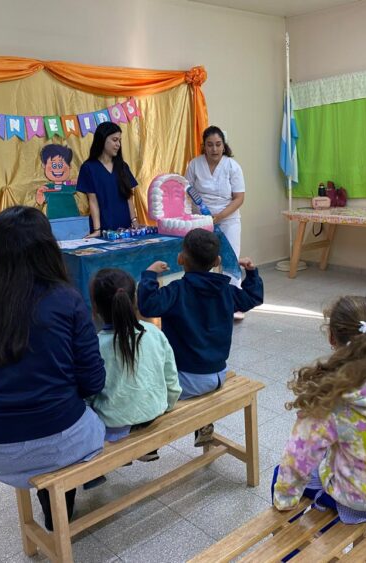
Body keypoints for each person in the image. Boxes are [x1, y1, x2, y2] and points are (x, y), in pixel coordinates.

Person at [0, 206, 106, 532]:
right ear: (47, 248)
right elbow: (93, 380)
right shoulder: (66, 299)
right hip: (61, 441)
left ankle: (57, 511)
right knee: (99, 409)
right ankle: (69, 500)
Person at [272, 295, 366, 525]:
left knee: (281, 475)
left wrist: (284, 500)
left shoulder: (334, 396)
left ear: (332, 337)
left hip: (356, 499)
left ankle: (289, 555)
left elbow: (298, 457)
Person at [137, 228, 263, 445]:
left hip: (185, 380)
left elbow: (147, 305)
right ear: (217, 261)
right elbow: (253, 297)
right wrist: (251, 273)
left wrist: (150, 275)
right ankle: (204, 423)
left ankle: (148, 445)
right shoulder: (226, 290)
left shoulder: (176, 291)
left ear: (180, 259)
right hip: (217, 375)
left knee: (142, 380)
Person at [83, 268, 181, 489]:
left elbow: (88, 394)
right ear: (134, 301)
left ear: (95, 307)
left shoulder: (95, 345)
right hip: (154, 412)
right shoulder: (154, 332)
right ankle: (140, 447)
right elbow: (171, 379)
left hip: (114, 424)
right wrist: (168, 405)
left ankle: (95, 470)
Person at [185, 126, 245, 295]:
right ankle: (204, 297)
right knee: (201, 260)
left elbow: (239, 198)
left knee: (230, 260)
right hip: (200, 221)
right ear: (204, 146)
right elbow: (187, 192)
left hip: (228, 219)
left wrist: (219, 217)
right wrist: (190, 218)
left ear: (224, 146)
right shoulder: (195, 164)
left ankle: (234, 300)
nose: (214, 149)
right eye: (210, 145)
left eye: (218, 144)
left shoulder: (233, 166)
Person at [77, 121, 139, 237]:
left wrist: (134, 221)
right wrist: (97, 230)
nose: (118, 144)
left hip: (125, 229)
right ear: (102, 140)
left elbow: (129, 197)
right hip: (104, 230)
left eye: (120, 140)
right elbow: (93, 201)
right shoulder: (88, 168)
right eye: (114, 140)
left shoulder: (123, 166)